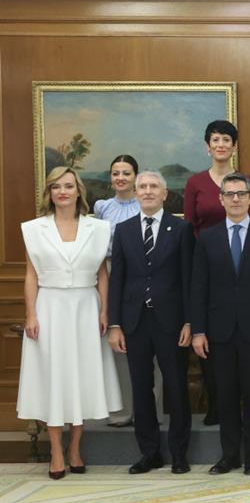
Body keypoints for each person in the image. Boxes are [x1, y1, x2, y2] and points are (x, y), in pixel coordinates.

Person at [18, 167, 122, 478]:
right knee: (53, 376)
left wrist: (104, 311)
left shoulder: (98, 227)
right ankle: (55, 450)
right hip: (49, 307)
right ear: (49, 193)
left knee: (81, 376)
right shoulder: (34, 229)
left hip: (85, 307)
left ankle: (75, 447)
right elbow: (31, 274)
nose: (62, 192)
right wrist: (31, 314)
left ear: (79, 191)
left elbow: (103, 273)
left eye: (68, 186)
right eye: (56, 187)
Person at [190, 172, 250, 476]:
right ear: (221, 199)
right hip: (219, 332)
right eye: (229, 194)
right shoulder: (207, 238)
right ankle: (229, 456)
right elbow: (199, 287)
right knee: (226, 397)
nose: (235, 199)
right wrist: (199, 330)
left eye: (241, 193)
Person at [107, 170, 195, 474]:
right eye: (142, 186)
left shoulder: (181, 229)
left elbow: (188, 280)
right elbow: (116, 279)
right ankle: (149, 453)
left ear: (164, 193)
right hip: (134, 322)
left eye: (153, 186)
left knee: (176, 387)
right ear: (136, 191)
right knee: (141, 388)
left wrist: (189, 322)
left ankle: (179, 453)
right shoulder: (124, 229)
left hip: (171, 322)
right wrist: (115, 324)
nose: (147, 191)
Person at [184, 120, 250, 427]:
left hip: (242, 271)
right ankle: (216, 404)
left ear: (233, 146)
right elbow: (189, 228)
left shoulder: (246, 181)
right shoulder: (195, 183)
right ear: (207, 146)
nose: (220, 144)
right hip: (207, 267)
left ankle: (241, 408)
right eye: (215, 139)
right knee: (213, 346)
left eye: (226, 139)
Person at [93, 154, 145, 428]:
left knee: (146, 339)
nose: (121, 178)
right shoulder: (102, 207)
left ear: (136, 176)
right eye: (116, 173)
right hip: (110, 272)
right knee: (117, 340)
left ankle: (149, 410)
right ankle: (122, 409)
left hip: (141, 273)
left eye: (126, 172)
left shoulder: (145, 203)